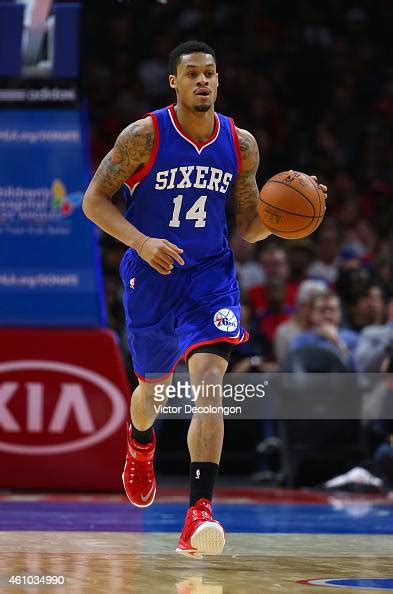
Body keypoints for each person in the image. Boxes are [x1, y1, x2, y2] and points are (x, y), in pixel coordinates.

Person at [83, 40, 327, 558]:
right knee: (152, 390)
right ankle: (140, 443)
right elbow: (93, 201)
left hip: (209, 277)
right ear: (174, 81)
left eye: (210, 74)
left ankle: (198, 513)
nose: (203, 81)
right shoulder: (143, 136)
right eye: (192, 73)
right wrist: (142, 242)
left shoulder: (241, 144)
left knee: (210, 384)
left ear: (218, 80)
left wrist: (289, 220)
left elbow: (248, 225)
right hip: (151, 275)